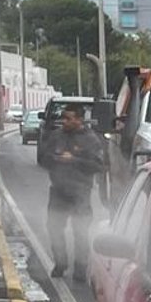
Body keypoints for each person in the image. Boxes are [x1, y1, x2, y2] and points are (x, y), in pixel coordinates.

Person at [39, 104, 104, 279]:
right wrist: (56, 159)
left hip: (80, 193)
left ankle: (81, 268)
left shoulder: (91, 140)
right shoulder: (56, 136)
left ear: (79, 119)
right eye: (64, 118)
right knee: (54, 228)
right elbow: (43, 159)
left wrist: (73, 160)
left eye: (69, 118)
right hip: (58, 191)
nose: (65, 122)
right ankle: (60, 263)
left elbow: (98, 166)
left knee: (81, 231)